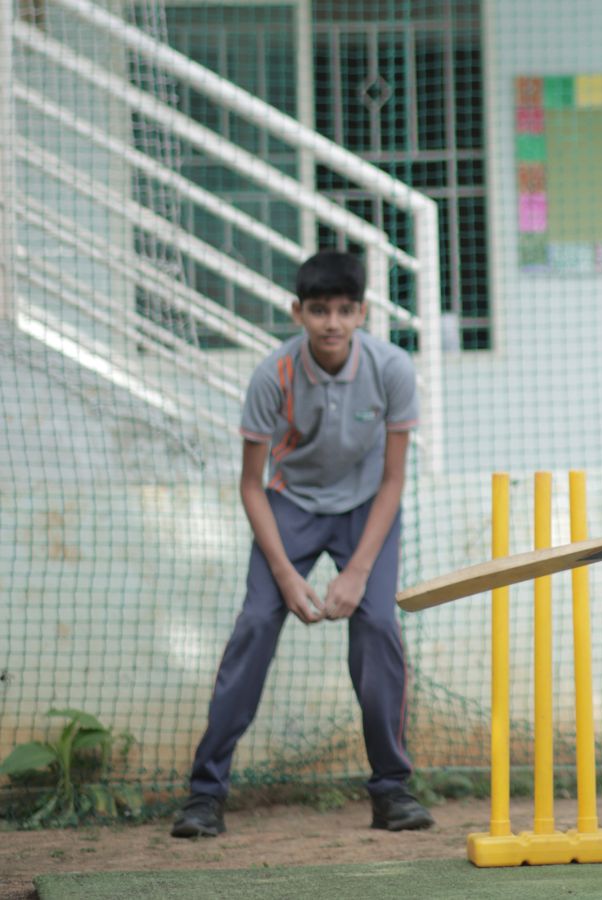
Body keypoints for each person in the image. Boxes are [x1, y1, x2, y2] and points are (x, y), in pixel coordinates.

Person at [171, 251, 433, 838]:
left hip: (368, 507)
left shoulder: (391, 369)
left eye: (345, 310)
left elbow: (394, 480)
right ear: (298, 312)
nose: (332, 323)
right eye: (319, 311)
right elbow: (251, 484)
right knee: (256, 624)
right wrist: (288, 577)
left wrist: (358, 573)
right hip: (289, 504)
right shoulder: (273, 375)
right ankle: (204, 796)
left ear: (363, 312)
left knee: (378, 628)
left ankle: (392, 791)